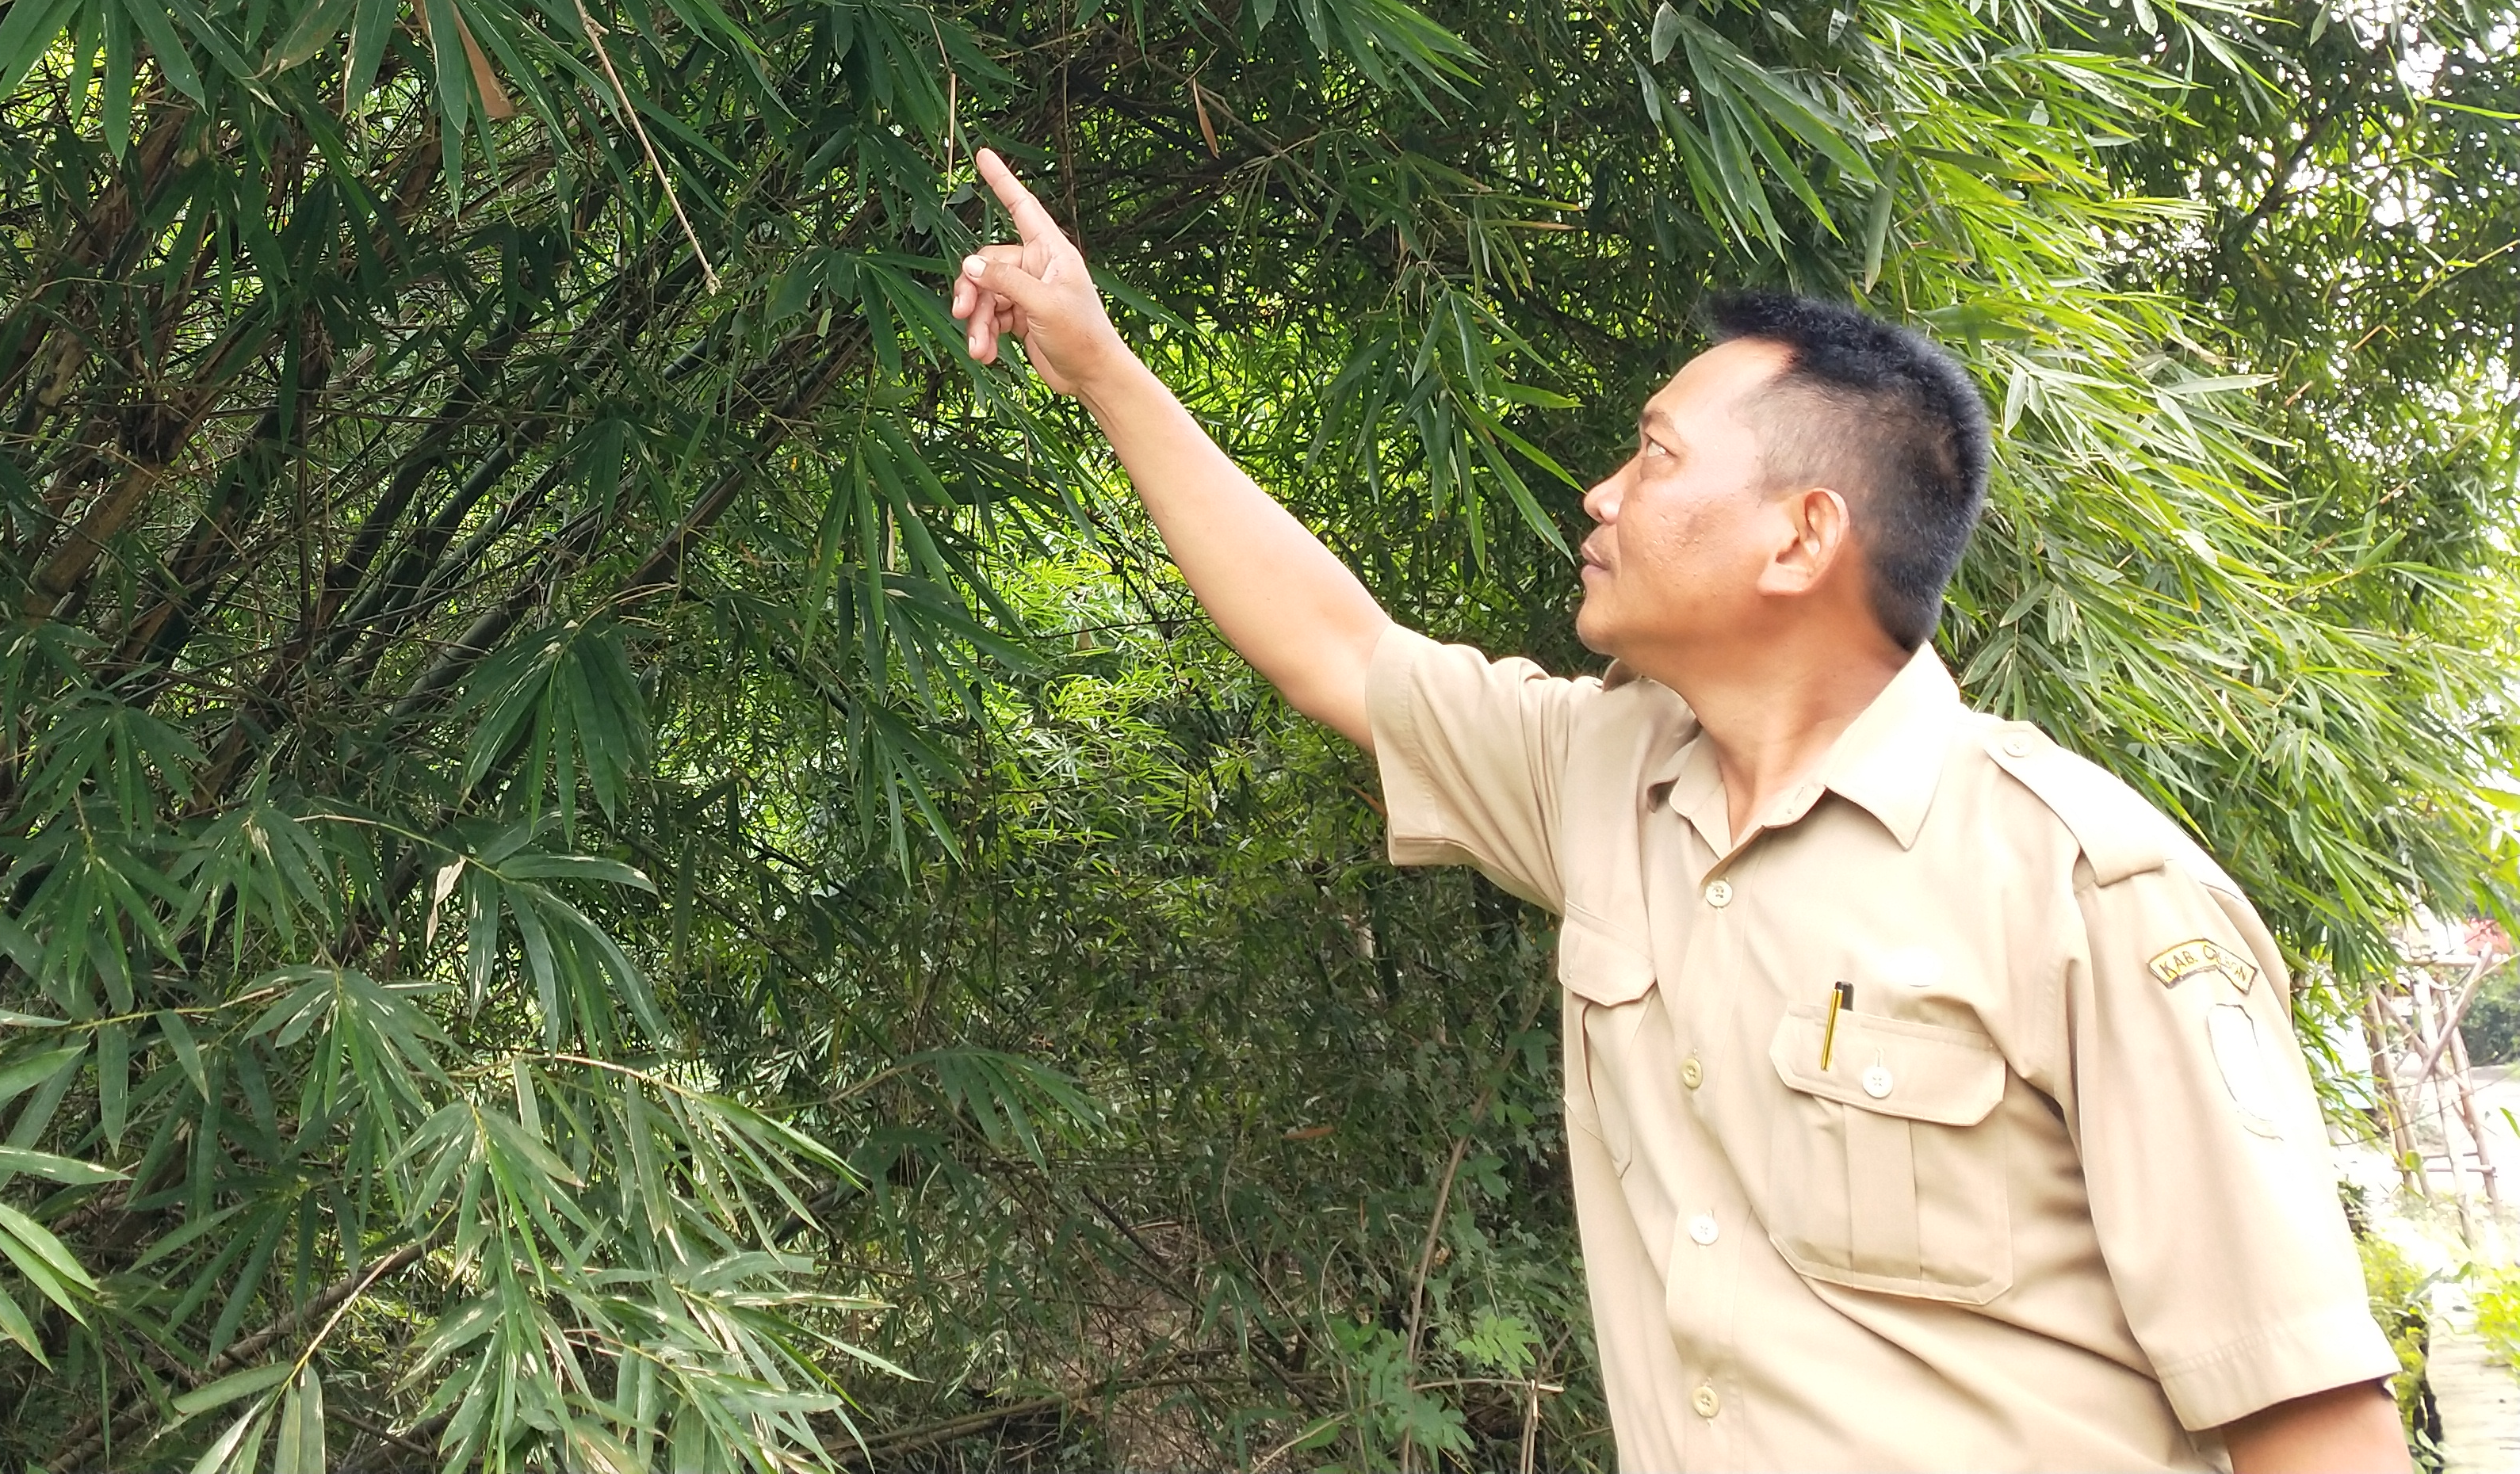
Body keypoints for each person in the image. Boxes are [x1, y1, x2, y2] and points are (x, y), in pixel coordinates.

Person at [949, 147, 2408, 1472]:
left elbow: (2308, 1416)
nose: (1599, 493)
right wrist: (1100, 365)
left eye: (1653, 455)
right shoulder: (1603, 780)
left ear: (1802, 535)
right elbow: (1341, 649)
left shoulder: (2084, 885)